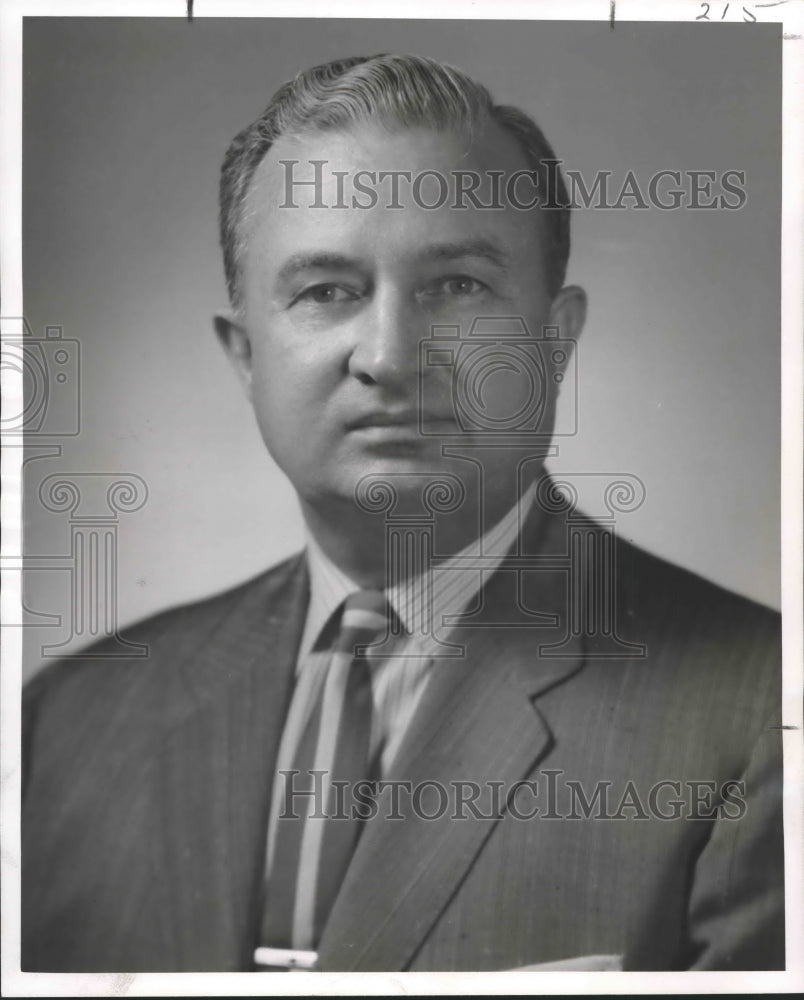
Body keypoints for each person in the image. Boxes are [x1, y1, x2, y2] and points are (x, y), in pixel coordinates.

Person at [21, 53, 783, 973]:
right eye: (327, 291)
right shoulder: (63, 725)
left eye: (456, 285)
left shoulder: (762, 718)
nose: (389, 356)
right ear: (243, 358)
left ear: (556, 339)